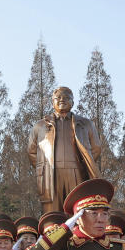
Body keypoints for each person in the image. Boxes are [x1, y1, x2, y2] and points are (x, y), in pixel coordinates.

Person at [28, 86, 103, 214]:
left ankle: (76, 234)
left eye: (66, 97)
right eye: (58, 97)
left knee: (76, 210)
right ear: (52, 102)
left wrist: (82, 164)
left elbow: (96, 148)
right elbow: (32, 151)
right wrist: (45, 168)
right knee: (52, 214)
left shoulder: (85, 123)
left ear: (73, 102)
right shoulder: (40, 125)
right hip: (51, 174)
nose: (62, 100)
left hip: (76, 172)